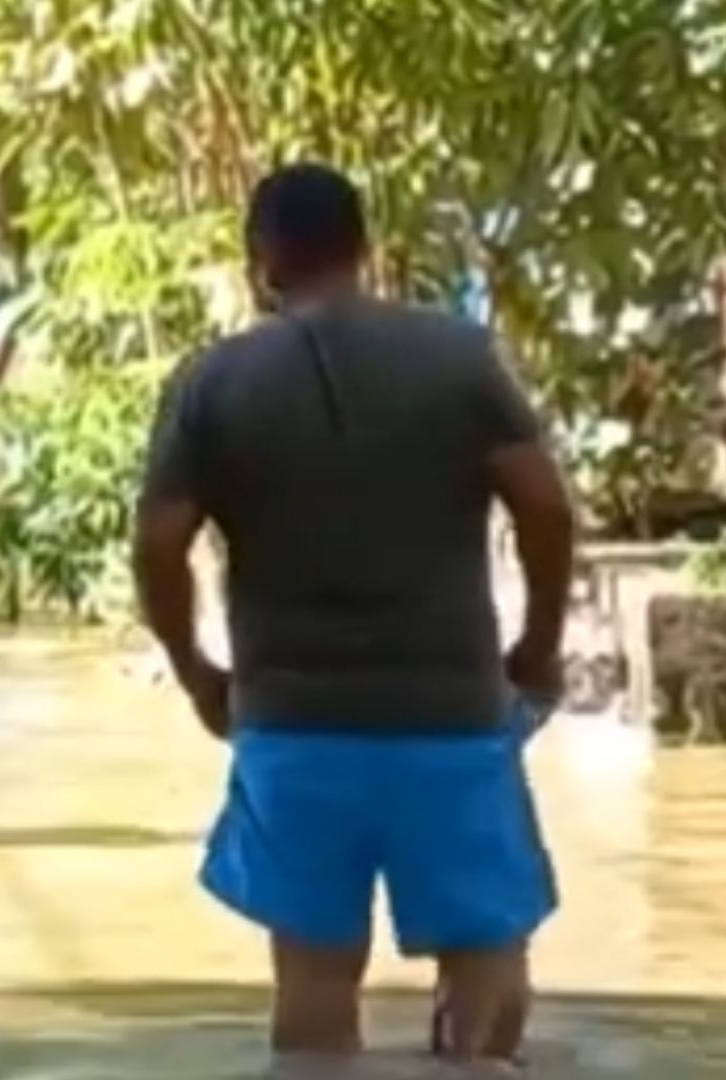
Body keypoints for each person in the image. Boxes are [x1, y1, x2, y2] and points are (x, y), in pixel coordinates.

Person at [131, 163, 576, 1067]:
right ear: (364, 247)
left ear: (262, 259)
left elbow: (157, 544)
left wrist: (197, 674)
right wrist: (537, 646)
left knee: (313, 991)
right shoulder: (456, 359)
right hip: (451, 719)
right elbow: (546, 507)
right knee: (488, 969)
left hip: (293, 726)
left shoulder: (214, 382)